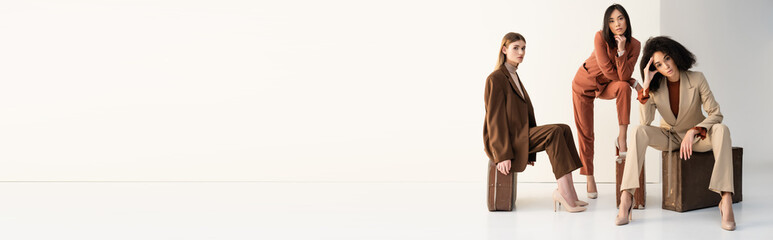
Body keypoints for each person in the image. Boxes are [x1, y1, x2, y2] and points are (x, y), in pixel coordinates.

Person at [616, 36, 736, 231]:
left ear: (675, 56)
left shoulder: (697, 79)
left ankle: (725, 199)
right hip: (669, 137)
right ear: (655, 68)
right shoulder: (654, 87)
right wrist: (646, 85)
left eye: (667, 58)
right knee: (638, 131)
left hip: (696, 137)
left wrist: (694, 130)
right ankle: (626, 197)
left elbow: (716, 113)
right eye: (659, 64)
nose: (666, 66)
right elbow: (645, 123)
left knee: (722, 129)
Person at [483, 32, 586, 212]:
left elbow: (524, 114)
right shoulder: (496, 78)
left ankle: (570, 191)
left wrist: (530, 152)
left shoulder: (513, 75)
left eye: (523, 48)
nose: (521, 52)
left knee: (563, 129)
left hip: (521, 134)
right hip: (508, 140)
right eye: (516, 48)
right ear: (504, 49)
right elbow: (494, 119)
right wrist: (502, 154)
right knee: (553, 133)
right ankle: (564, 193)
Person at [571, 4, 642, 199]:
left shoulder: (634, 45)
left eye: (620, 18)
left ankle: (621, 138)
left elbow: (622, 76)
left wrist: (621, 50)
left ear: (626, 20)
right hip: (584, 84)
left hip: (606, 86)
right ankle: (589, 176)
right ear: (606, 24)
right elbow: (609, 71)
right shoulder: (600, 37)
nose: (617, 24)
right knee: (586, 132)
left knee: (622, 87)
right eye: (611, 20)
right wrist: (634, 81)